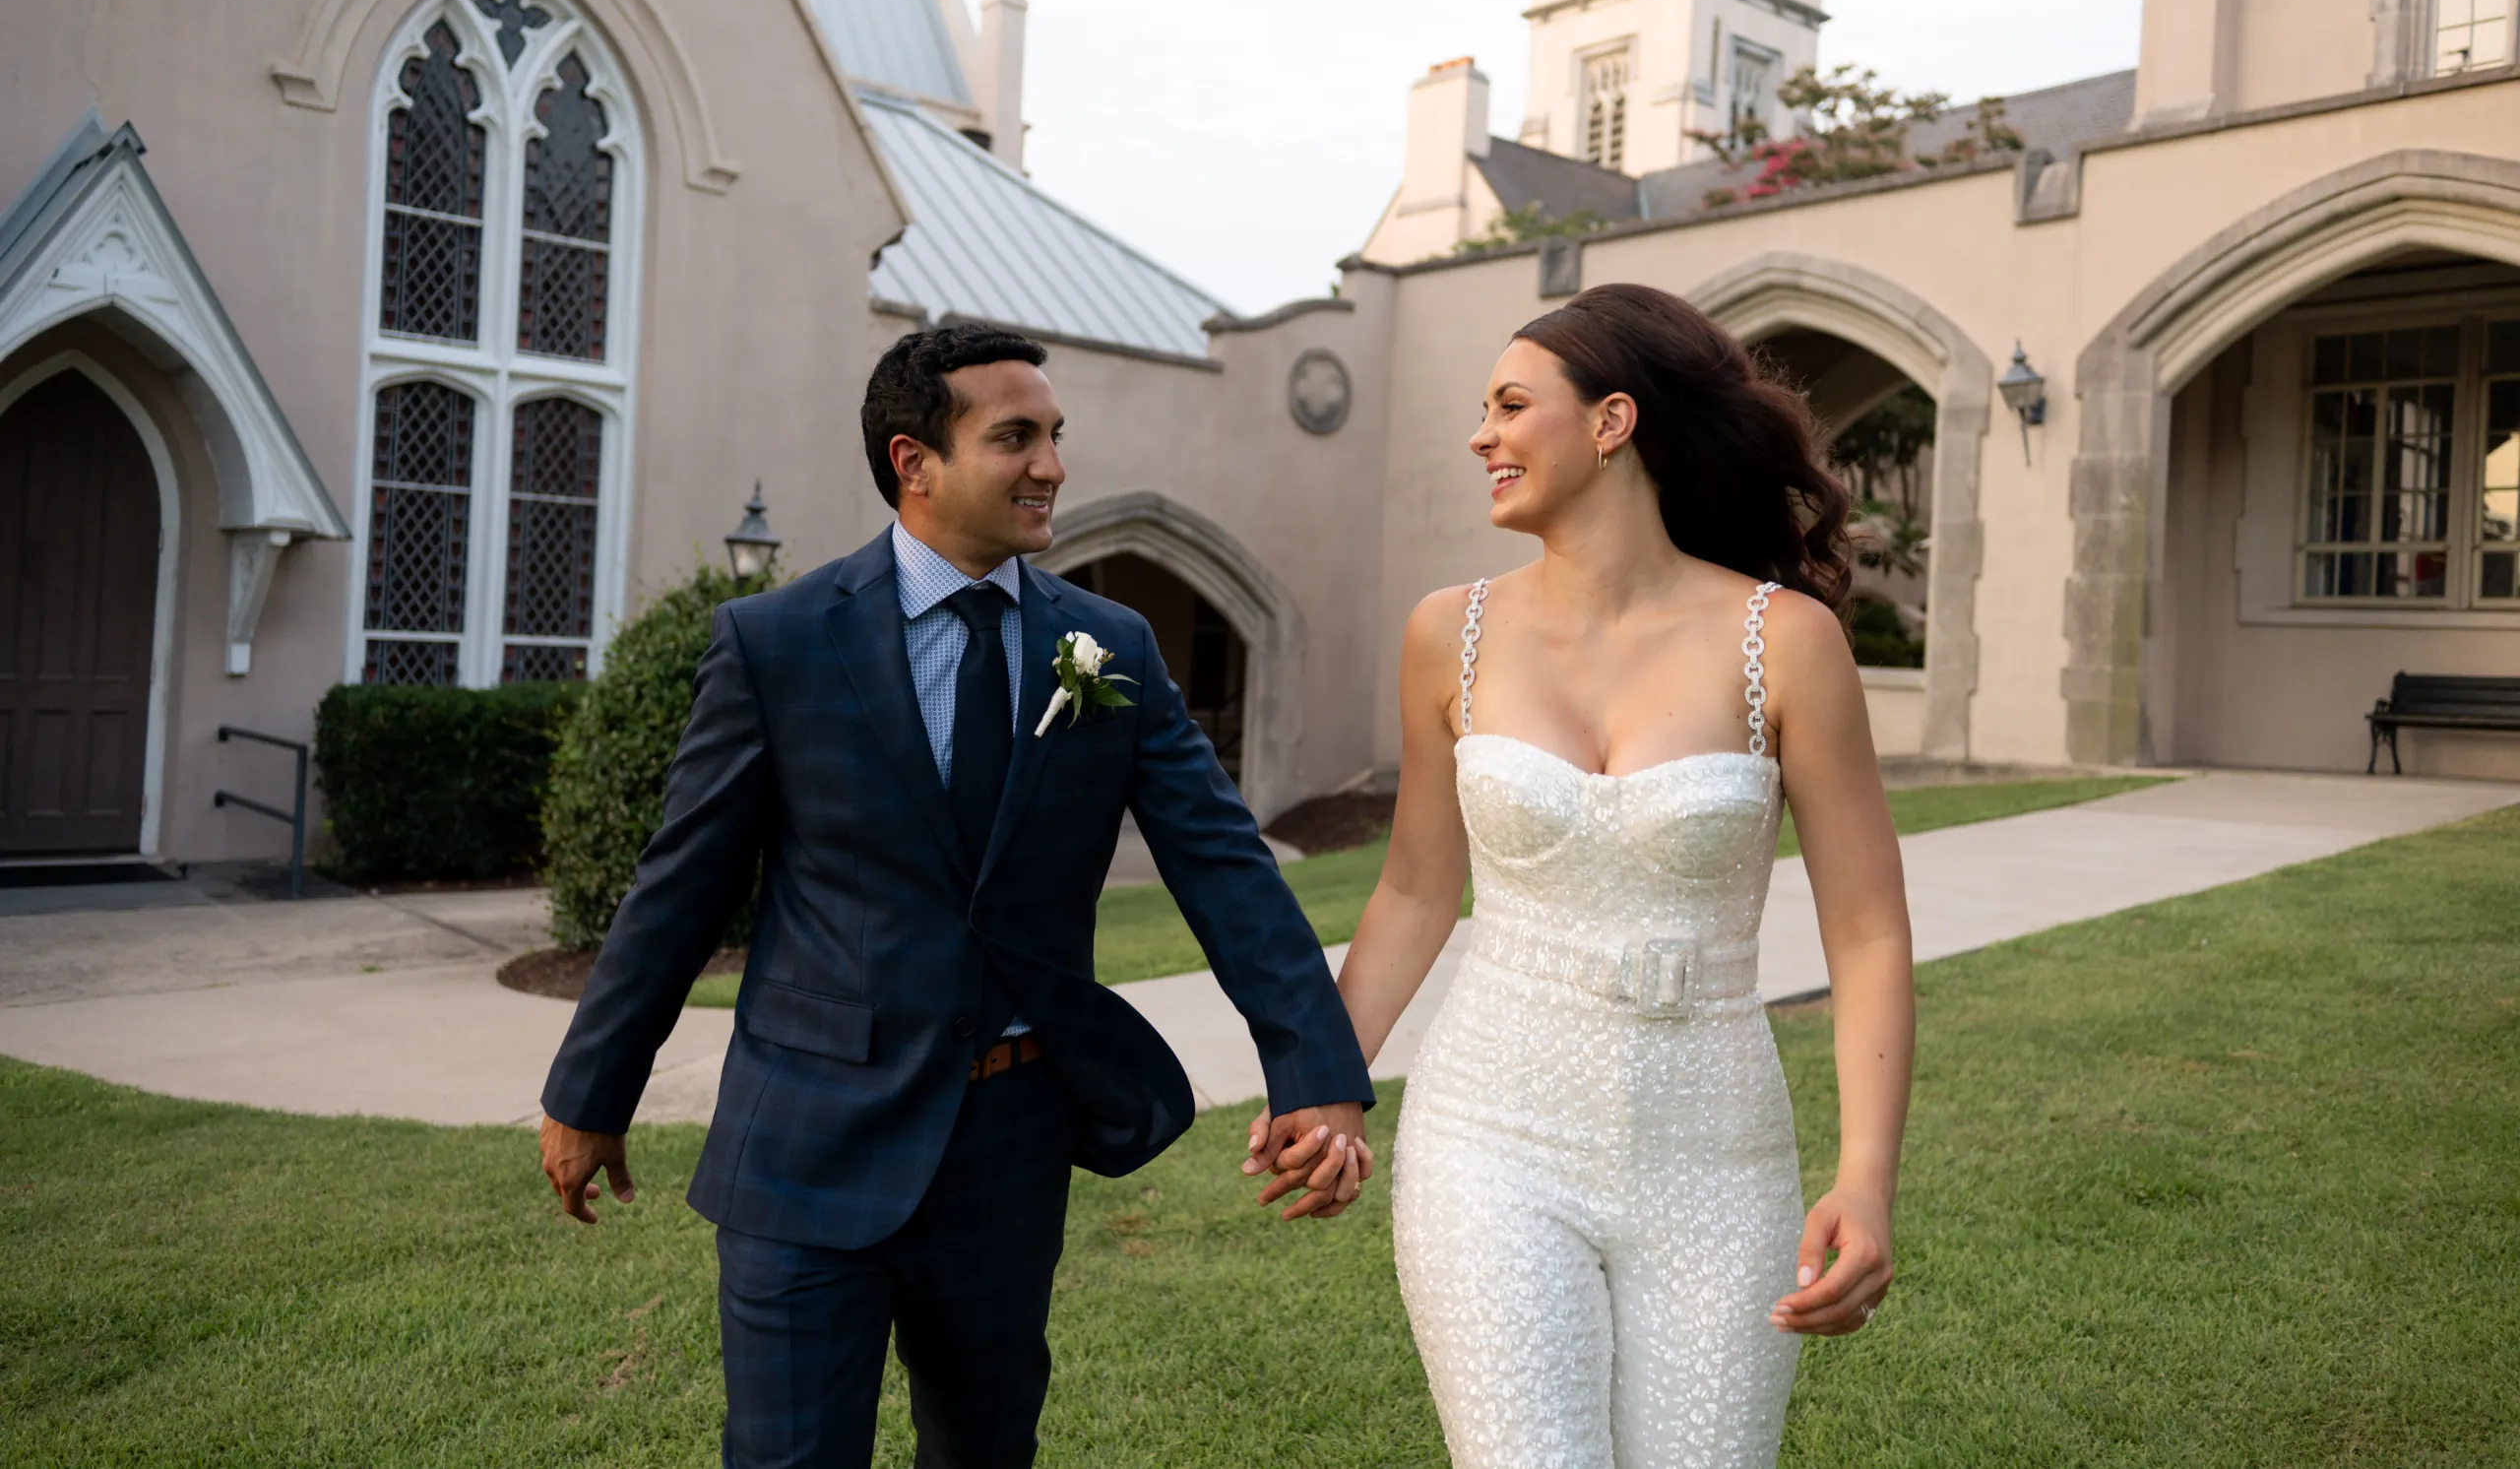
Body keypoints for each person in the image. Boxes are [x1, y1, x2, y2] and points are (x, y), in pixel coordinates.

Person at [538, 322, 1375, 1469]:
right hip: (804, 1138)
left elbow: (1227, 868)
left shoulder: (1109, 646)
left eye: (1054, 436)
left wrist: (1316, 1074)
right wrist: (591, 1090)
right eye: (1015, 437)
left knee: (985, 1451)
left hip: (1008, 1141)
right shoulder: (775, 644)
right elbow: (678, 889)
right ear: (912, 462)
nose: (1052, 466)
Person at [1256, 283, 1916, 1466]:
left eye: (1511, 405)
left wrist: (1863, 1181)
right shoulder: (1445, 632)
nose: (1480, 436)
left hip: (1716, 1157)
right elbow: (1415, 888)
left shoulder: (1787, 642)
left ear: (1612, 422)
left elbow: (1865, 933)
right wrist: (1325, 1073)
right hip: (1488, 1136)